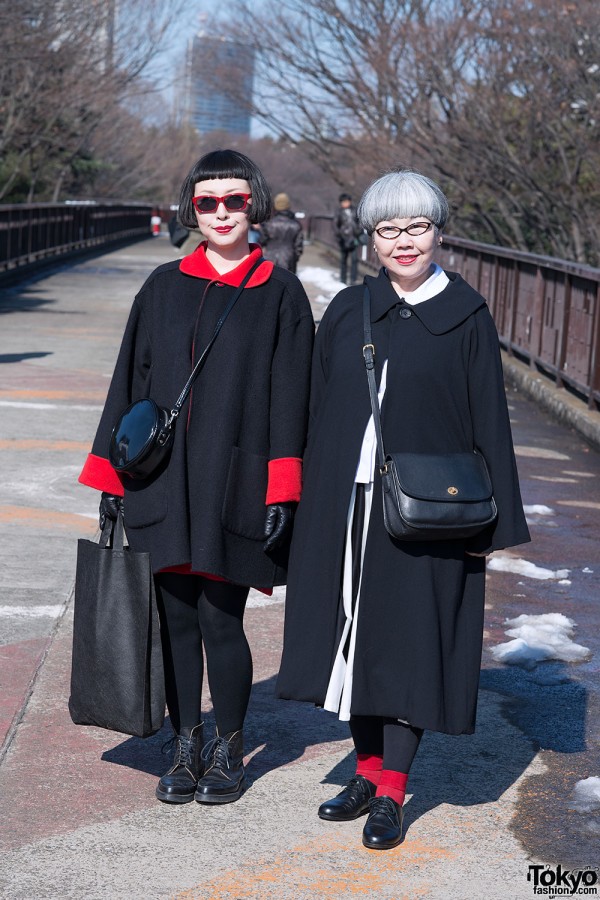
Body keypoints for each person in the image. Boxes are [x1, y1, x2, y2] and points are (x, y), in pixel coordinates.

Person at [276, 170, 530, 850]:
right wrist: (291, 491)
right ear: (372, 237)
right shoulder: (351, 308)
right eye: (389, 229)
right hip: (344, 502)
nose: (404, 241)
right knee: (353, 639)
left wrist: (495, 524)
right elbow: (310, 406)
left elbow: (490, 422)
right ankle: (362, 770)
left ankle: (394, 789)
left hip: (426, 514)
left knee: (410, 645)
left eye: (417, 227)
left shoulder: (466, 314)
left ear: (439, 230)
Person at [79, 149, 314, 806]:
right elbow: (130, 380)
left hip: (236, 484)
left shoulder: (280, 292)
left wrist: (285, 489)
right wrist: (110, 476)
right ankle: (184, 745)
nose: (219, 213)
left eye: (232, 200)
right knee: (174, 618)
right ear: (191, 208)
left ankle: (230, 747)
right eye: (206, 202)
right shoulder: (161, 285)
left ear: (253, 205)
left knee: (220, 620)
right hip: (162, 481)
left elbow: (293, 399)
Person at [259, 192, 304, 273]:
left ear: (276, 205)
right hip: (288, 259)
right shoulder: (296, 225)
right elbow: (299, 247)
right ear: (288, 206)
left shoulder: (269, 224)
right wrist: (294, 257)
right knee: (287, 283)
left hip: (269, 258)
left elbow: (261, 241)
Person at [333, 192, 362, 284]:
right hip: (343, 238)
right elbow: (335, 225)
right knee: (343, 260)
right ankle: (343, 279)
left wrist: (358, 231)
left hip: (354, 238)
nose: (345, 203)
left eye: (346, 201)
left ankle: (353, 279)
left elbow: (360, 222)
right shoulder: (338, 212)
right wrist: (339, 235)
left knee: (354, 260)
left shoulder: (355, 210)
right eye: (343, 202)